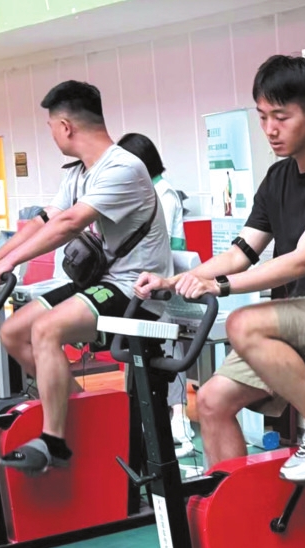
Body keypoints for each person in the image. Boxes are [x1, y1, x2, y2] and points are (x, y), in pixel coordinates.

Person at [134, 55, 305, 485]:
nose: (270, 129)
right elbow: (241, 252)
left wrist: (219, 286)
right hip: (303, 316)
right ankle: (234, 513)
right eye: (262, 117)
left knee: (244, 322)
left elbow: (301, 260)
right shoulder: (278, 178)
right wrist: (176, 280)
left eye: (281, 117)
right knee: (212, 401)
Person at [0, 80, 171, 474]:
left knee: (46, 329)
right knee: (12, 332)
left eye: (50, 127)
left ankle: (54, 442)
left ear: (65, 126)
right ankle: (84, 414)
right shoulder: (79, 172)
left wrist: (9, 265)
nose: (52, 135)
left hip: (134, 288)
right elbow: (45, 219)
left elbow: (69, 223)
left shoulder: (124, 167)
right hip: (101, 282)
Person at [118, 131, 194, 457]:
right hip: (146, 284)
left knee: (167, 351)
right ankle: (152, 420)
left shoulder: (163, 195)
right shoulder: (148, 191)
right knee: (142, 353)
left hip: (163, 284)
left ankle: (180, 422)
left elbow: (167, 246)